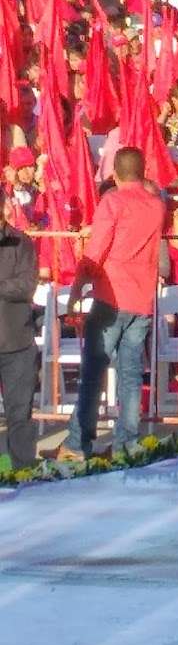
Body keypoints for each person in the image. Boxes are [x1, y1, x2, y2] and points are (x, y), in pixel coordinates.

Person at [59, 147, 165, 458]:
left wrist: (77, 290)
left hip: (110, 296)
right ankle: (126, 444)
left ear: (114, 175)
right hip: (141, 300)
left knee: (94, 371)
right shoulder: (157, 206)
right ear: (143, 172)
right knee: (131, 374)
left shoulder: (113, 201)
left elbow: (95, 252)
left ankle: (78, 443)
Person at [0, 189, 39, 470]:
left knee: (20, 413)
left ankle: (23, 473)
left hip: (16, 340)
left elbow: (26, 286)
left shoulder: (21, 242)